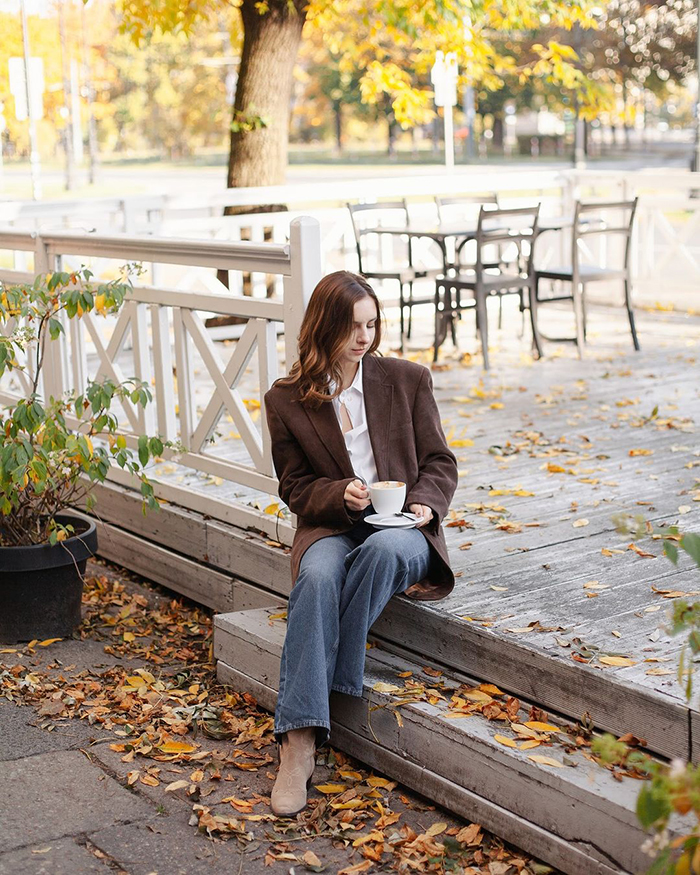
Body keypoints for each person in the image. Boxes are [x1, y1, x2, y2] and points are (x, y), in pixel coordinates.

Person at [263, 270, 458, 816]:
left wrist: (426, 502)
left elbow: (441, 461)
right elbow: (295, 487)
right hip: (332, 525)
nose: (364, 337)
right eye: (351, 326)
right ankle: (297, 745)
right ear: (323, 327)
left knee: (377, 553)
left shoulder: (406, 379)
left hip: (402, 531)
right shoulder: (286, 400)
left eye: (372, 324)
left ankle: (320, 693)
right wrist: (337, 495)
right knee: (319, 575)